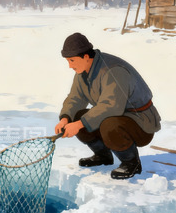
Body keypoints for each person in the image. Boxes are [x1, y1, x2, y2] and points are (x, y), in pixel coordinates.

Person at [54, 32, 161, 179]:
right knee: (78, 116)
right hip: (117, 117)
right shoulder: (82, 72)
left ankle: (131, 163)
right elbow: (75, 98)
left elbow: (111, 106)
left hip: (140, 122)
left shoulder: (112, 70)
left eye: (72, 61)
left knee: (108, 125)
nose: (69, 66)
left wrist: (79, 124)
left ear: (85, 56)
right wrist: (65, 118)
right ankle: (103, 156)